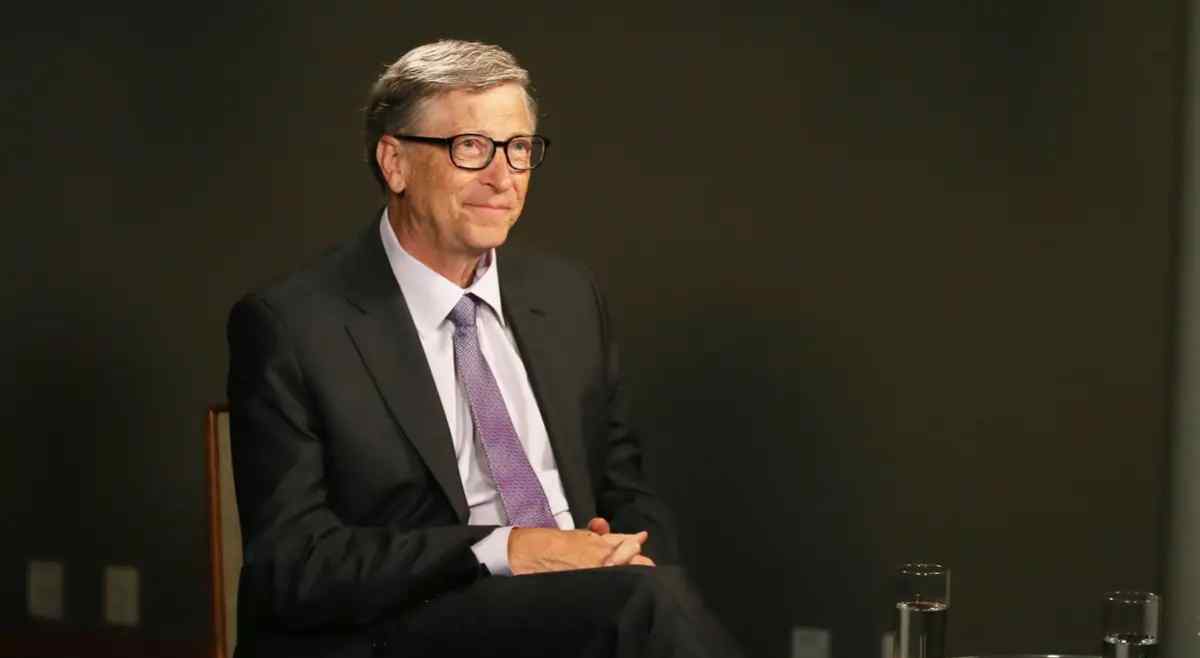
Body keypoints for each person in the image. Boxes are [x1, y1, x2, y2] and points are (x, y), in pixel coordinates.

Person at [226, 39, 742, 658]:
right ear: (395, 162)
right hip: (406, 621)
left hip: (589, 611)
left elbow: (623, 485)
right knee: (647, 608)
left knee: (649, 599)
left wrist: (626, 553)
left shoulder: (568, 297)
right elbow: (293, 563)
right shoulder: (294, 324)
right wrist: (507, 548)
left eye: (518, 148)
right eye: (470, 147)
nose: (503, 177)